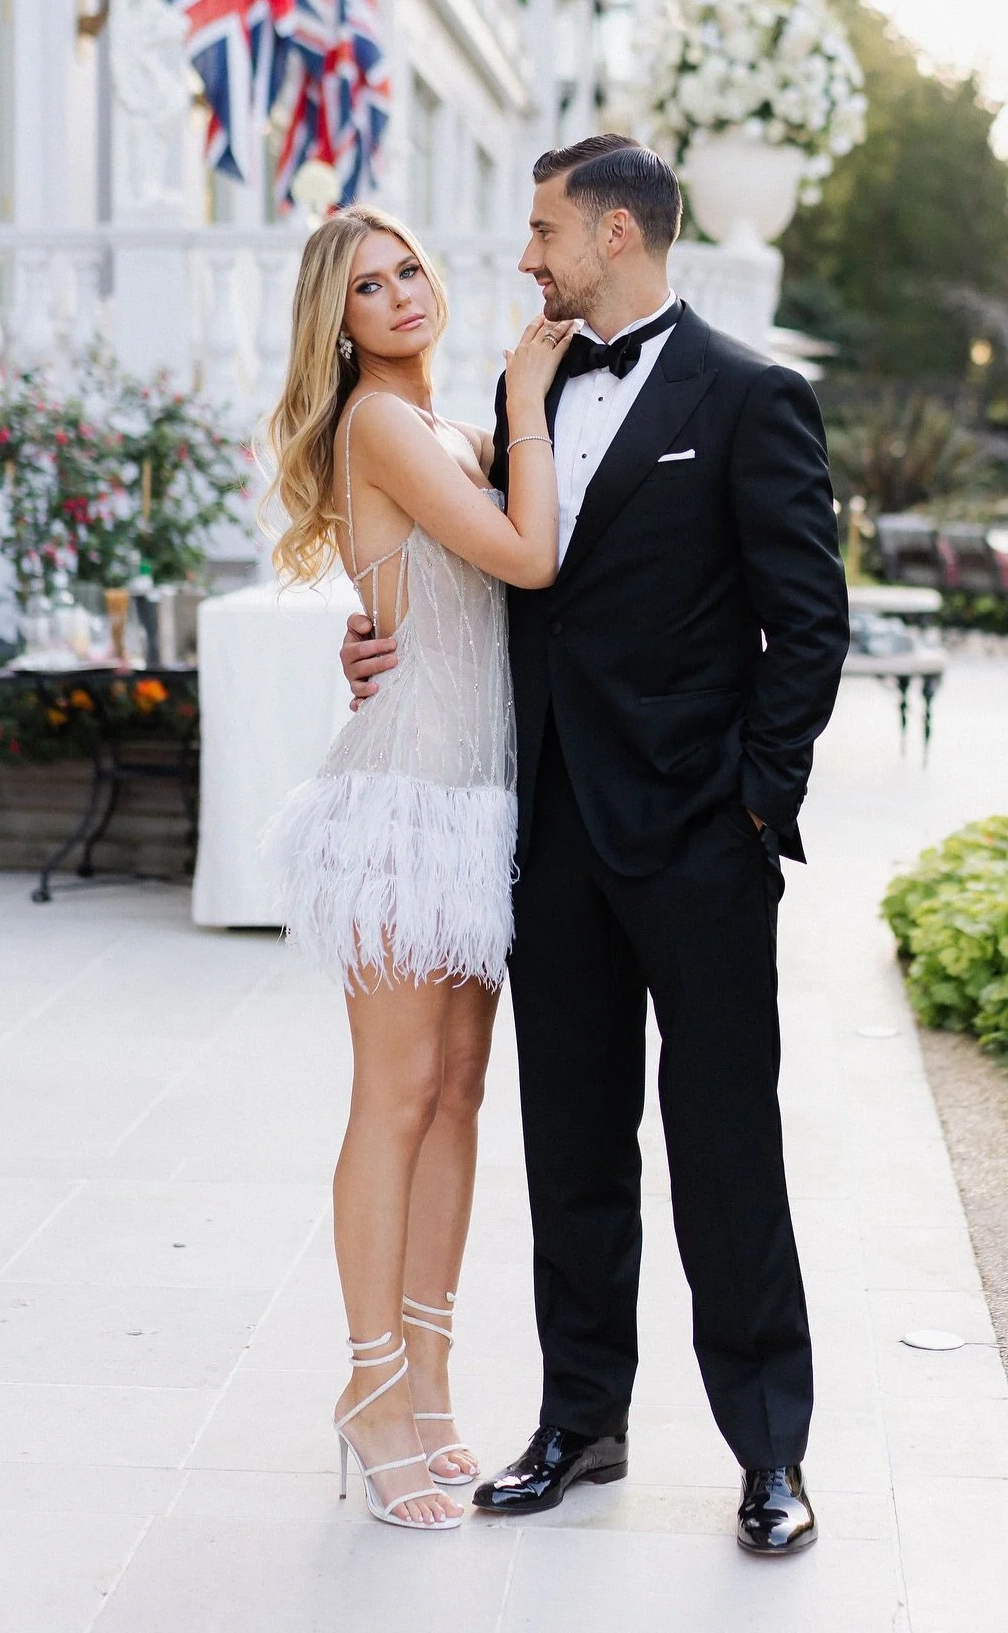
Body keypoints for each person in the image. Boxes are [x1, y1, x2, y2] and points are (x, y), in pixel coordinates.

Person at [342, 137, 850, 1555]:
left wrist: (754, 803)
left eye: (543, 228)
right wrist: (372, 622)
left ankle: (770, 1455)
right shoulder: (535, 385)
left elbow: (807, 625)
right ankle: (580, 1423)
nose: (523, 255)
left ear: (615, 233)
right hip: (548, 829)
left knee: (727, 1145)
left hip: (699, 839)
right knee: (570, 1146)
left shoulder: (753, 397)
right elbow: (491, 562)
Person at [264, 204, 574, 1530]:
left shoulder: (448, 433)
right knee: (394, 1100)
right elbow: (529, 554)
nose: (398, 296)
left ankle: (434, 1390)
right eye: (367, 286)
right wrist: (526, 390)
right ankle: (369, 1390)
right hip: (402, 803)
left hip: (479, 804)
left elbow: (467, 599)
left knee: (457, 1099)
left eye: (407, 272)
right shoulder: (382, 423)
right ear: (334, 321)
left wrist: (505, 419)